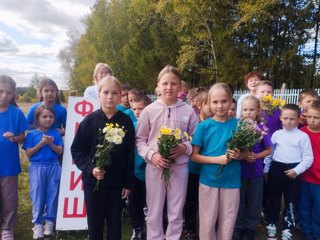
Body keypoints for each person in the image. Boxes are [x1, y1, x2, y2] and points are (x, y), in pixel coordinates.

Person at [136, 65, 198, 240]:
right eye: (165, 83)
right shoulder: (149, 110)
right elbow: (139, 140)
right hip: (155, 167)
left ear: (180, 86)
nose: (169, 87)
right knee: (154, 210)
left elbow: (195, 138)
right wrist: (152, 155)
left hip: (179, 168)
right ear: (158, 86)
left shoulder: (188, 111)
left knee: (176, 210)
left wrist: (183, 148)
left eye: (173, 83)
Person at [71, 76, 135, 240]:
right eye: (105, 92)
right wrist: (91, 168)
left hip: (117, 183)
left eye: (114, 93)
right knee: (95, 222)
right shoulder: (89, 120)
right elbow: (77, 150)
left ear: (121, 96)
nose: (110, 97)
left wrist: (128, 183)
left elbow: (129, 154)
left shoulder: (126, 121)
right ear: (98, 95)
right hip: (93, 183)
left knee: (115, 223)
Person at [191, 83, 247, 240]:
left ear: (230, 101)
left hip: (231, 181)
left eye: (224, 101)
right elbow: (194, 156)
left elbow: (246, 153)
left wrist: (238, 155)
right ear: (208, 103)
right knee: (207, 220)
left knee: (228, 221)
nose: (220, 105)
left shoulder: (239, 125)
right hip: (209, 180)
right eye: (215, 102)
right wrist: (217, 160)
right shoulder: (204, 126)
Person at [264, 104, 313, 240]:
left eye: (292, 118)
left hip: (294, 171)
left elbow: (308, 158)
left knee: (291, 200)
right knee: (274, 197)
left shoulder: (302, 137)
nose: (289, 121)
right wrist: (266, 169)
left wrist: (296, 171)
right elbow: (269, 153)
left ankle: (288, 227)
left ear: (298, 119)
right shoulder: (277, 134)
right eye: (285, 118)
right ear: (280, 118)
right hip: (276, 169)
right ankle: (272, 223)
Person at [233, 96, 272, 240]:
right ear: (241, 111)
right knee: (238, 202)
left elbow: (269, 149)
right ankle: (237, 228)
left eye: (252, 109)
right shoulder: (238, 127)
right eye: (245, 109)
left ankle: (250, 229)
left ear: (258, 111)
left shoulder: (262, 129)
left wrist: (256, 155)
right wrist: (243, 154)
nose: (248, 112)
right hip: (240, 173)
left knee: (254, 202)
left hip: (256, 173)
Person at [22, 106, 63, 239]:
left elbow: (59, 151)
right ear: (38, 118)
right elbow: (29, 153)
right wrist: (42, 143)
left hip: (53, 166)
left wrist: (50, 144)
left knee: (52, 193)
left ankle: (50, 221)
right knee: (38, 194)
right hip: (37, 167)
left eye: (50, 117)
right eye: (44, 117)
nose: (48, 119)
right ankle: (38, 224)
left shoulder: (55, 133)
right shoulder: (32, 134)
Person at [0, 75, 29, 240]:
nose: (4, 96)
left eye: (8, 93)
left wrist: (14, 138)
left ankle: (7, 228)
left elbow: (22, 138)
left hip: (8, 165)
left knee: (9, 197)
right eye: (1, 91)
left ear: (13, 95)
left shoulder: (16, 113)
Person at [183, 90, 208, 240]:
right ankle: (190, 228)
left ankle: (206, 229)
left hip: (209, 170)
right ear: (200, 105)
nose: (211, 106)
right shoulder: (194, 123)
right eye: (207, 103)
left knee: (206, 202)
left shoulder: (216, 122)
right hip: (193, 169)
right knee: (191, 200)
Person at [128, 95, 152, 240]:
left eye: (140, 108)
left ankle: (154, 226)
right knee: (134, 202)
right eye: (134, 109)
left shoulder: (155, 124)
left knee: (152, 201)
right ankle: (137, 228)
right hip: (135, 171)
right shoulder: (132, 125)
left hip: (151, 170)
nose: (137, 112)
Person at [299, 101, 320, 240]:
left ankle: (316, 232)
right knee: (304, 206)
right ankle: (305, 230)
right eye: (309, 116)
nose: (311, 120)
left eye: (316, 117)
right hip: (303, 177)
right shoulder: (302, 132)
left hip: (318, 180)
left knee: (318, 208)